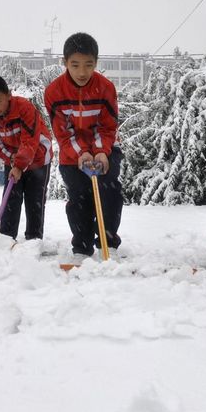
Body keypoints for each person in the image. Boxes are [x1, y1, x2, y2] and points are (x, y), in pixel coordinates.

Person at [44, 32, 124, 258]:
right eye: (75, 64)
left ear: (96, 63)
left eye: (89, 65)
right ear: (65, 63)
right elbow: (63, 132)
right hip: (72, 154)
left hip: (106, 150)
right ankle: (81, 247)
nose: (82, 72)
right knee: (79, 196)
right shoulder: (54, 92)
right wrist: (82, 153)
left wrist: (100, 152)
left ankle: (108, 244)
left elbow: (107, 126)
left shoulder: (106, 88)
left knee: (110, 192)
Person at [0, 75, 53, 240]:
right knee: (10, 198)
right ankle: (6, 237)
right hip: (14, 161)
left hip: (39, 158)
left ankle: (34, 239)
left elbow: (30, 140)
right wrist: (13, 159)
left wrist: (19, 164)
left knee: (34, 199)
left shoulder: (24, 108)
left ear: (8, 95)